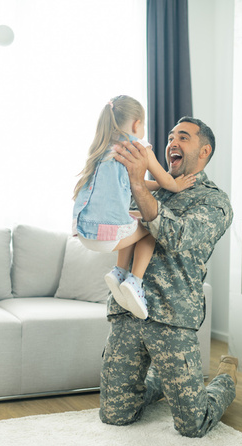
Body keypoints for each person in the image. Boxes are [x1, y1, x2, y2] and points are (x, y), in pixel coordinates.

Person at [99, 116, 239, 438]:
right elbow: (117, 222)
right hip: (127, 312)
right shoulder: (154, 188)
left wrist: (138, 185)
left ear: (204, 151)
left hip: (172, 317)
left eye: (184, 137)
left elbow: (177, 237)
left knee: (193, 425)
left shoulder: (215, 201)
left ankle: (226, 377)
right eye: (171, 136)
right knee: (115, 415)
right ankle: (163, 381)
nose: (172, 142)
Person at [72, 96, 195, 319]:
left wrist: (155, 185)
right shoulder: (138, 148)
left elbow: (130, 180)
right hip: (107, 236)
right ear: (137, 124)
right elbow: (168, 182)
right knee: (152, 226)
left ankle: (119, 271)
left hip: (84, 232)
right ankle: (134, 281)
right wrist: (177, 184)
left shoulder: (101, 149)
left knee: (130, 217)